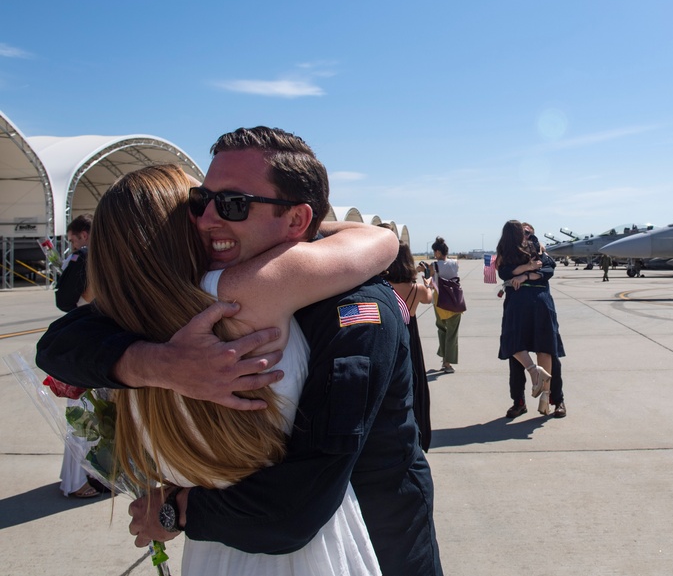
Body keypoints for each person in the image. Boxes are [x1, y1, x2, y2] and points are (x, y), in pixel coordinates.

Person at [37, 126, 443, 576]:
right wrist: (161, 363)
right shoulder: (203, 299)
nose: (207, 218)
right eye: (199, 201)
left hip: (375, 540)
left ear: (295, 220)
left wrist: (176, 509)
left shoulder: (356, 309)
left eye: (232, 205)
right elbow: (62, 342)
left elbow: (299, 503)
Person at [88, 164, 394, 574]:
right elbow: (379, 240)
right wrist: (300, 222)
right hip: (314, 550)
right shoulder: (243, 294)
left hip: (211, 553)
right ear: (180, 229)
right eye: (197, 205)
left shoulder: (118, 336)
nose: (209, 216)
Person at [495, 220, 567, 419]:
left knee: (548, 351)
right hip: (518, 304)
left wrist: (526, 276)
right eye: (525, 232)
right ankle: (519, 401)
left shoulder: (538, 248)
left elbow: (549, 270)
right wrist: (528, 269)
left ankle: (555, 398)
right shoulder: (508, 253)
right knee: (515, 350)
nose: (528, 236)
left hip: (540, 302)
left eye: (531, 233)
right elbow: (504, 272)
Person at [52, 214, 99, 498]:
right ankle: (76, 481)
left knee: (89, 414)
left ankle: (78, 476)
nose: (71, 245)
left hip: (87, 340)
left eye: (73, 239)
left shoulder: (86, 259)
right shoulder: (87, 260)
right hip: (91, 342)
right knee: (86, 414)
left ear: (84, 234)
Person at [381, 236, 434, 452]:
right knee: (415, 381)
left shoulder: (384, 286)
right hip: (410, 333)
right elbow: (429, 297)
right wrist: (428, 281)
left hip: (391, 332)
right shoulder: (415, 289)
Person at [427, 236, 460, 374]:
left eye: (435, 252)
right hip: (455, 300)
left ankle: (445, 361)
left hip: (439, 300)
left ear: (438, 252)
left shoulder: (434, 265)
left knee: (442, 329)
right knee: (453, 332)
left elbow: (430, 279)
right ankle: (447, 362)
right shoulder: (455, 263)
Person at [54, 214, 93, 312]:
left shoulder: (82, 257)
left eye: (72, 241)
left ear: (84, 235)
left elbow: (65, 301)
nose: (73, 246)